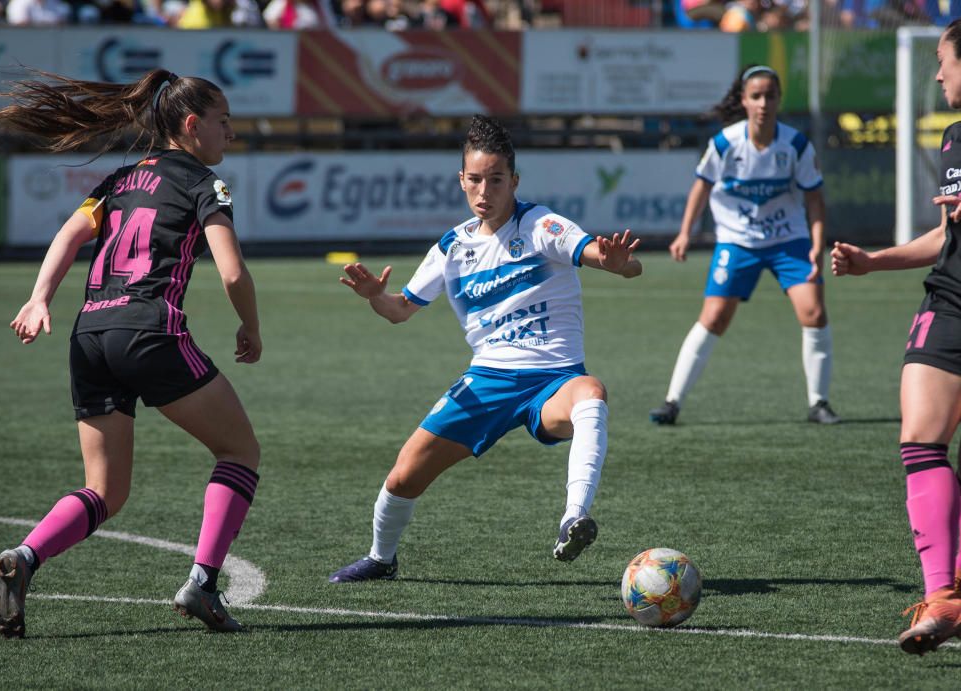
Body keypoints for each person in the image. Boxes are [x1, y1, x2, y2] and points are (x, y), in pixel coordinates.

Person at [0, 68, 262, 637]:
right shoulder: (206, 185)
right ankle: (203, 584)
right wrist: (251, 326)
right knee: (239, 451)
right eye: (223, 122)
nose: (230, 133)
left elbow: (68, 236)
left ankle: (25, 557)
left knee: (106, 489)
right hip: (148, 330)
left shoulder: (121, 180)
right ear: (191, 124)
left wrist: (38, 299)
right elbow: (232, 271)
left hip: (90, 335)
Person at [328, 115, 642, 583]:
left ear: (513, 181)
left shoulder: (540, 224)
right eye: (475, 179)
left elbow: (611, 259)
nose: (484, 190)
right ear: (461, 180)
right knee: (402, 477)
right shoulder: (451, 248)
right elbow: (399, 311)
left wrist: (619, 264)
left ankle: (573, 517)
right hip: (487, 381)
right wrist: (375, 294)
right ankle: (380, 558)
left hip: (554, 380)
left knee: (591, 394)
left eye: (496, 180)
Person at [831, 19, 961, 655]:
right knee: (920, 443)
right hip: (952, 303)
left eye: (943, 61)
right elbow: (948, 236)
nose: (937, 74)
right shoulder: (955, 138)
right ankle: (943, 599)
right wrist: (871, 260)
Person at [649, 64, 839, 426]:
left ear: (779, 100)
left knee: (813, 311)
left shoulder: (795, 145)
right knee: (715, 317)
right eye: (756, 96)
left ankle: (819, 403)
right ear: (744, 101)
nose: (764, 103)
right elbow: (701, 187)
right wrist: (685, 232)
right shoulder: (724, 144)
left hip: (789, 239)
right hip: (738, 242)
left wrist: (817, 244)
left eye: (770, 96)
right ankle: (672, 401)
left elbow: (815, 198)